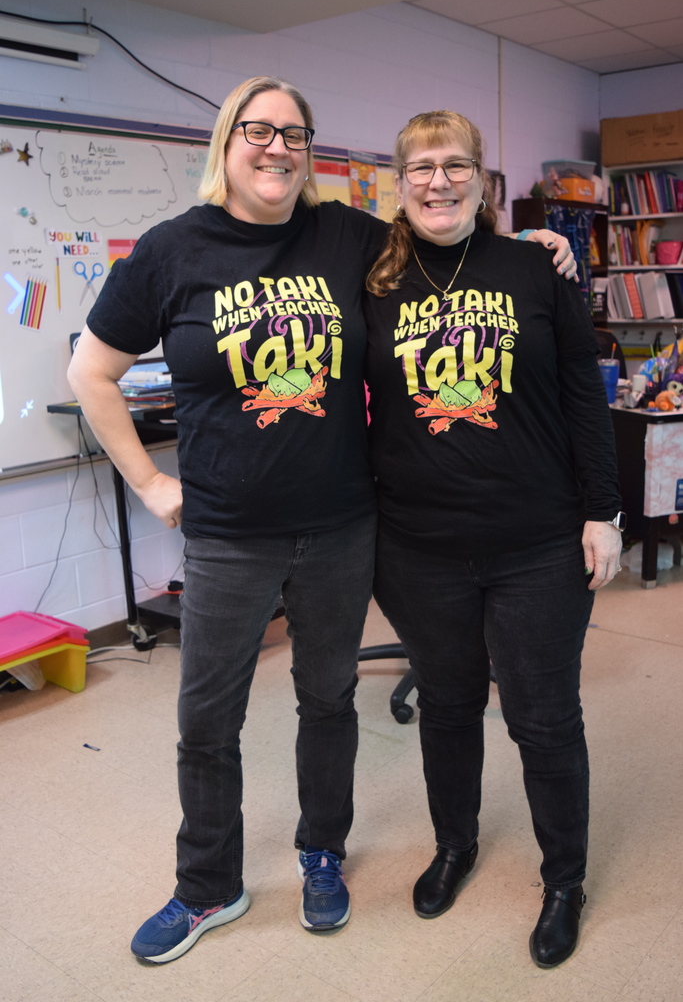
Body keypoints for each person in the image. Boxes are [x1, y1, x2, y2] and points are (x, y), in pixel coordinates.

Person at [67, 77, 576, 965]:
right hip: (227, 534)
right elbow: (90, 374)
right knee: (206, 719)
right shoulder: (170, 250)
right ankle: (206, 887)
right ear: (226, 143)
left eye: (293, 134)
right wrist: (150, 485)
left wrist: (531, 245)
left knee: (328, 701)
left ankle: (321, 855)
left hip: (344, 526)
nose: (275, 148)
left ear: (308, 151)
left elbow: (444, 231)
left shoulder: (345, 235)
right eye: (257, 131)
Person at [364, 110, 623, 969]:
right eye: (419, 168)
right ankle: (454, 844)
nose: (437, 182)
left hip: (537, 543)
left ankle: (564, 881)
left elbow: (585, 398)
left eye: (455, 165)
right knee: (446, 707)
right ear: (397, 184)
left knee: (544, 721)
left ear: (484, 179)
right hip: (418, 546)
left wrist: (604, 511)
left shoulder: (534, 266)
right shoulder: (371, 278)